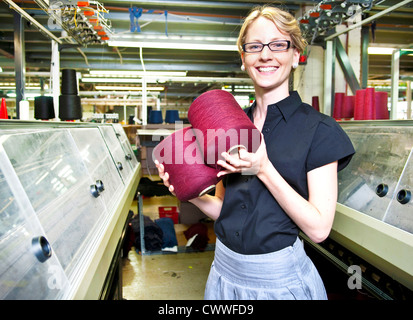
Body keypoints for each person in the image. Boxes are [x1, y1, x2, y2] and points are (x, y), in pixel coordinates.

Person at [155, 5, 355, 300]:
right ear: (244, 58)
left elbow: (318, 229)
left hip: (278, 282)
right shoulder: (227, 128)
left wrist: (263, 168)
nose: (265, 55)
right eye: (255, 46)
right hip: (223, 273)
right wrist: (190, 192)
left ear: (295, 54)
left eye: (278, 44)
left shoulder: (319, 130)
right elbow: (226, 210)